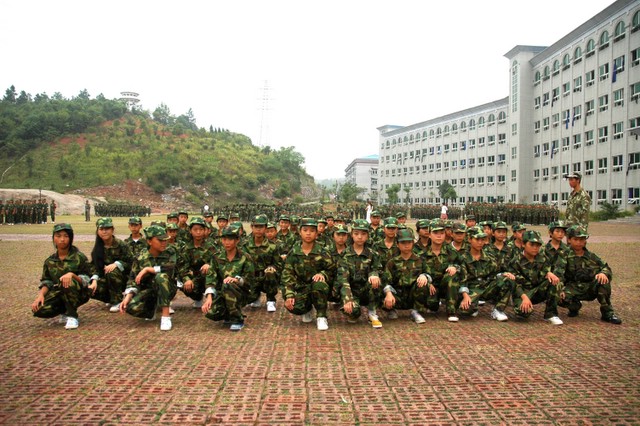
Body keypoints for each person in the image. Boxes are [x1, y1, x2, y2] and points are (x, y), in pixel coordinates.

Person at [31, 223, 92, 330]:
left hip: (80, 293)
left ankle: (72, 316)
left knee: (67, 281)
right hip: (60, 292)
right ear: (53, 238)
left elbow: (87, 279)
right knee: (39, 309)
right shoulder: (50, 261)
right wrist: (40, 295)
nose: (62, 239)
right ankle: (65, 310)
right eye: (58, 236)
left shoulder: (79, 257)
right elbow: (47, 281)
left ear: (71, 238)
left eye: (66, 236)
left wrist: (72, 275)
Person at [281, 217, 336, 331]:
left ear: (316, 233)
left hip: (319, 286)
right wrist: (289, 295)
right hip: (302, 288)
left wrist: (323, 274)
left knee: (319, 284)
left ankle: (321, 316)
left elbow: (332, 270)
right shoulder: (294, 252)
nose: (308, 233)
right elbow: (287, 274)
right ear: (300, 232)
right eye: (305, 230)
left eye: (312, 230)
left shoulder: (323, 251)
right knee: (293, 307)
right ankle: (307, 309)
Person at [120, 225, 178, 331]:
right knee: (131, 307)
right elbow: (133, 278)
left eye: (165, 240)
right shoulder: (141, 256)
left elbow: (171, 268)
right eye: (160, 240)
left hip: (168, 288)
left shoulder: (170, 252)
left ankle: (165, 316)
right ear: (149, 241)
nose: (164, 243)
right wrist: (128, 296)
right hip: (149, 290)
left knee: (161, 277)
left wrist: (149, 269)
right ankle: (152, 309)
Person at [561, 225, 622, 324]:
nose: (578, 242)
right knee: (557, 296)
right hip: (572, 288)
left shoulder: (592, 257)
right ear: (569, 240)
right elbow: (557, 274)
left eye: (582, 239)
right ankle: (574, 307)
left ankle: (607, 313)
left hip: (590, 288)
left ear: (585, 240)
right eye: (575, 239)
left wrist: (603, 273)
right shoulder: (563, 256)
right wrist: (560, 288)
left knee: (603, 281)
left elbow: (606, 267)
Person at [202, 226, 255, 331]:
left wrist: (237, 280)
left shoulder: (245, 257)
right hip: (222, 292)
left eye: (230, 239)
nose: (227, 242)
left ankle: (237, 319)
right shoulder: (216, 257)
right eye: (224, 239)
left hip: (241, 293)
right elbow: (211, 278)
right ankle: (227, 313)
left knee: (229, 284)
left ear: (237, 240)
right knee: (211, 312)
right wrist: (209, 297)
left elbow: (250, 280)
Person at [505, 230, 563, 325]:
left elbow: (546, 273)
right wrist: (524, 298)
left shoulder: (543, 259)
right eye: (532, 245)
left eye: (538, 245)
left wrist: (549, 273)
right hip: (522, 292)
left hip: (537, 291)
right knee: (523, 312)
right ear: (523, 244)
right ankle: (520, 304)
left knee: (554, 281)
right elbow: (515, 283)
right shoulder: (515, 262)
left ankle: (551, 314)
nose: (535, 248)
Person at [458, 227, 514, 321]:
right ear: (470, 239)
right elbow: (462, 280)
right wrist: (465, 295)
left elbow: (496, 272)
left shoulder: (489, 256)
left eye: (482, 239)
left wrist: (504, 274)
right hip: (472, 289)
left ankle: (498, 310)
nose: (480, 242)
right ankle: (474, 306)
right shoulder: (463, 258)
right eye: (477, 239)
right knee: (465, 310)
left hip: (487, 287)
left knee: (507, 279)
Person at [337, 219, 383, 327]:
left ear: (367, 236)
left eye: (363, 234)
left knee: (375, 280)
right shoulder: (345, 254)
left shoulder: (373, 254)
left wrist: (374, 274)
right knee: (352, 312)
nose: (360, 237)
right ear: (351, 235)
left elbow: (378, 269)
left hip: (367, 290)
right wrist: (348, 299)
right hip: (352, 291)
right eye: (356, 233)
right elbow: (343, 279)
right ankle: (354, 310)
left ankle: (372, 313)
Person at [380, 228, 431, 323]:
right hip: (397, 296)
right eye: (403, 243)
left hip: (413, 295)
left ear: (413, 243)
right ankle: (391, 309)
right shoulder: (392, 262)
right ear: (397, 244)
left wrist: (424, 276)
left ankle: (416, 311)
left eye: (409, 242)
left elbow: (428, 273)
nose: (406, 245)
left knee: (424, 283)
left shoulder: (420, 260)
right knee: (381, 290)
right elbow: (386, 280)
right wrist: (388, 293)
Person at [88, 218, 134, 313]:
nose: (104, 232)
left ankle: (117, 301)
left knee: (112, 271)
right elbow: (94, 266)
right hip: (106, 278)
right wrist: (94, 280)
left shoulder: (121, 245)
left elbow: (132, 263)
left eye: (107, 229)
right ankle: (110, 298)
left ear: (112, 230)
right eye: (101, 229)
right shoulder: (97, 248)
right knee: (90, 288)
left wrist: (117, 264)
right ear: (97, 231)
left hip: (124, 279)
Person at [423, 219, 463, 322]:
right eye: (435, 233)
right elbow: (418, 271)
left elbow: (463, 266)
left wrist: (455, 267)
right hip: (431, 287)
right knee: (432, 306)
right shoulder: (423, 253)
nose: (439, 236)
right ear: (429, 235)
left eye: (442, 233)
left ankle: (451, 311)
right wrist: (427, 282)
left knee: (452, 276)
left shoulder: (451, 252)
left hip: (446, 286)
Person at [244, 214, 282, 312]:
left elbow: (278, 264)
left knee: (270, 272)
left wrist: (272, 267)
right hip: (252, 278)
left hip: (266, 278)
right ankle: (255, 296)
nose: (258, 229)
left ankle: (270, 300)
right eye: (256, 226)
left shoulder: (272, 246)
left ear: (265, 228)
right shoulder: (245, 245)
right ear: (251, 227)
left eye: (261, 227)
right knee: (247, 300)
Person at [177, 217, 214, 309]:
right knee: (182, 283)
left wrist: (210, 265)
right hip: (194, 278)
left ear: (205, 230)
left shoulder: (211, 246)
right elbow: (183, 267)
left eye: (201, 229)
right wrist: (187, 279)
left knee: (210, 271)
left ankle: (213, 298)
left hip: (208, 277)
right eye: (195, 229)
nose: (198, 232)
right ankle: (197, 298)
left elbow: (219, 261)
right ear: (190, 231)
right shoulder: (186, 249)